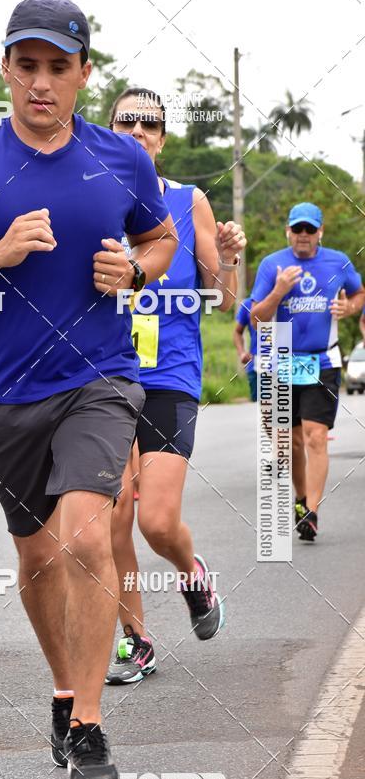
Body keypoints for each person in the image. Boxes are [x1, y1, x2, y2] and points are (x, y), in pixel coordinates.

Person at [0, 0, 177, 779]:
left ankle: (90, 725)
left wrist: (136, 269)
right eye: (27, 66)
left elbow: (157, 238)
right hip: (7, 396)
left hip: (100, 378)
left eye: (59, 67)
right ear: (6, 71)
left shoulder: (123, 159)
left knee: (88, 538)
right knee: (35, 556)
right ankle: (65, 689)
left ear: (84, 76)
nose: (42, 83)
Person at [104, 88, 246, 685]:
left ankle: (193, 574)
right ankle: (136, 640)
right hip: (105, 374)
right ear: (109, 130)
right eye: (126, 121)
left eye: (151, 124)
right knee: (110, 522)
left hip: (170, 374)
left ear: (163, 138)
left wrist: (232, 258)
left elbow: (223, 295)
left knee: (156, 522)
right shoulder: (88, 200)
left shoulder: (189, 203)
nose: (139, 130)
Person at [251, 202, 365, 541]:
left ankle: (311, 512)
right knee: (291, 442)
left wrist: (350, 306)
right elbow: (257, 318)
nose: (303, 236)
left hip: (323, 361)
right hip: (280, 360)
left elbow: (359, 293)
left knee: (316, 435)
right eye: (297, 229)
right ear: (288, 231)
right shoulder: (272, 265)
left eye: (310, 230)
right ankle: (301, 499)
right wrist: (279, 290)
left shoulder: (338, 261)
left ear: (320, 232)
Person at [233, 297, 258, 402]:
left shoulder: (287, 299)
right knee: (265, 414)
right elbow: (237, 332)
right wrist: (242, 353)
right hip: (257, 367)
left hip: (286, 365)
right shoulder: (248, 304)